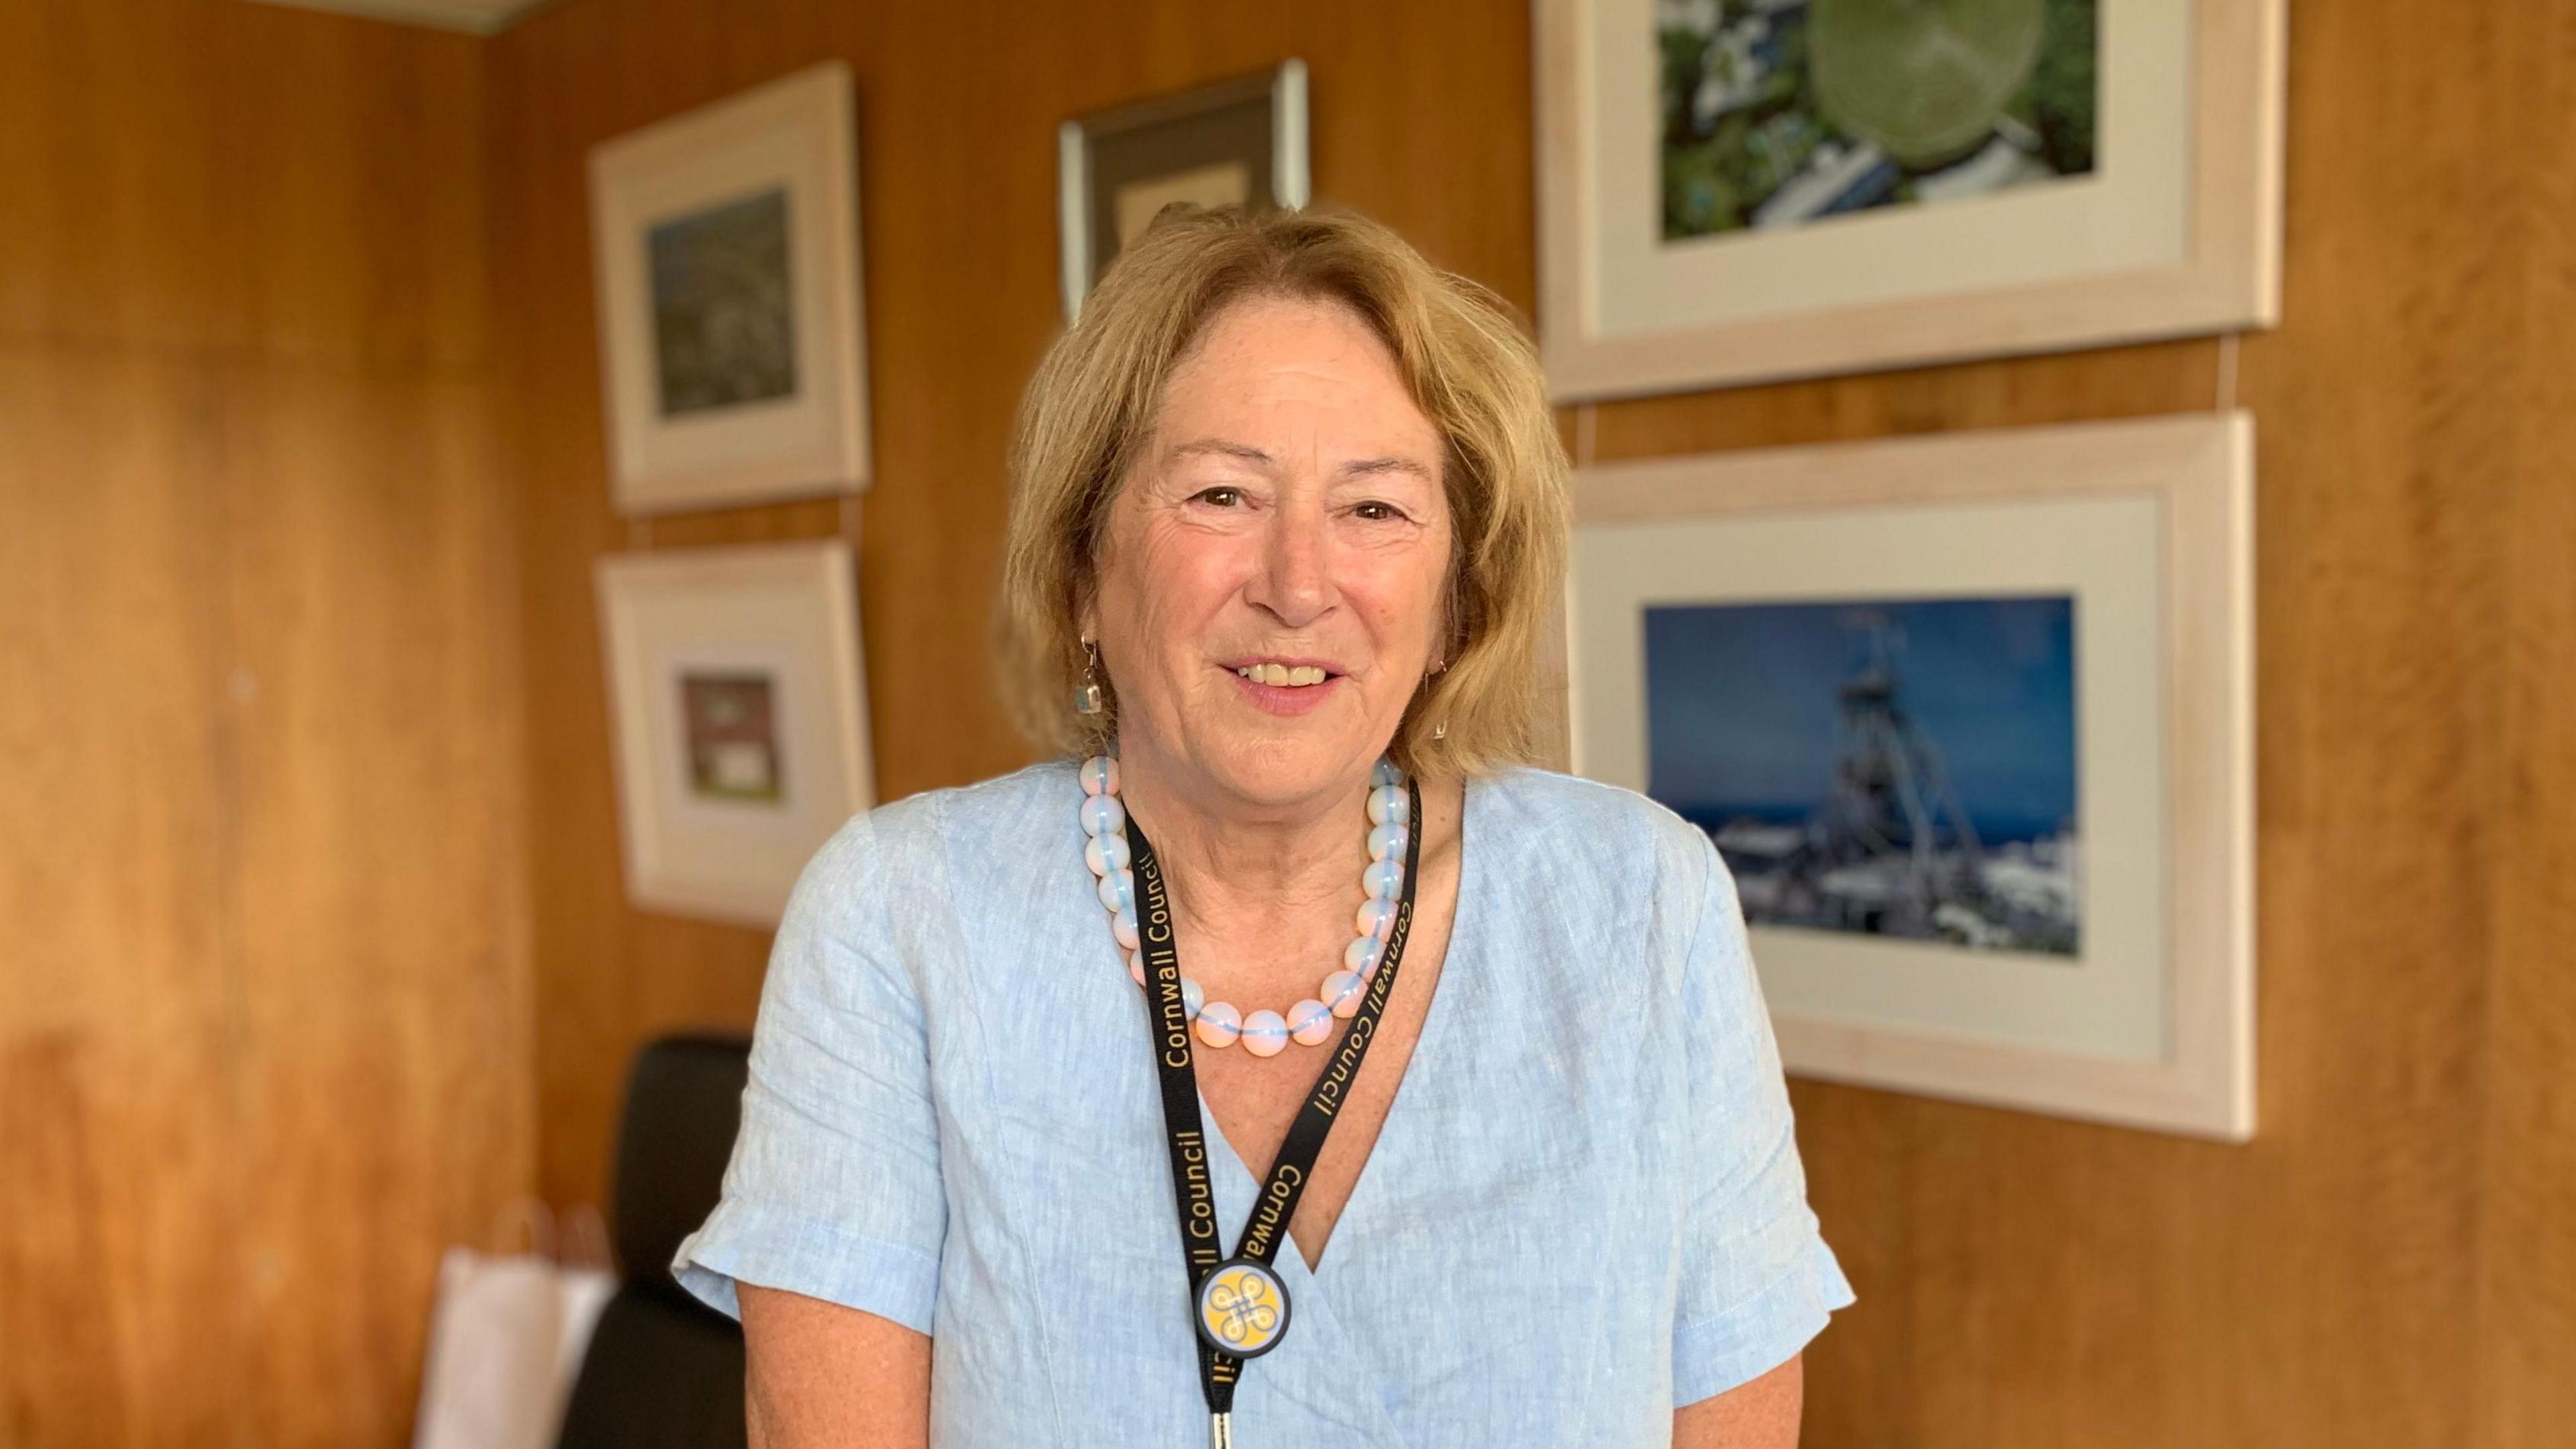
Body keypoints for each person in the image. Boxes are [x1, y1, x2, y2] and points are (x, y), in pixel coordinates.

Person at [672, 205, 1853, 1448]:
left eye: (1376, 510)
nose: (1297, 585)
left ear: (1456, 600)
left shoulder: (1639, 904)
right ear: (1085, 570)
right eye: (1223, 494)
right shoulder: (901, 917)